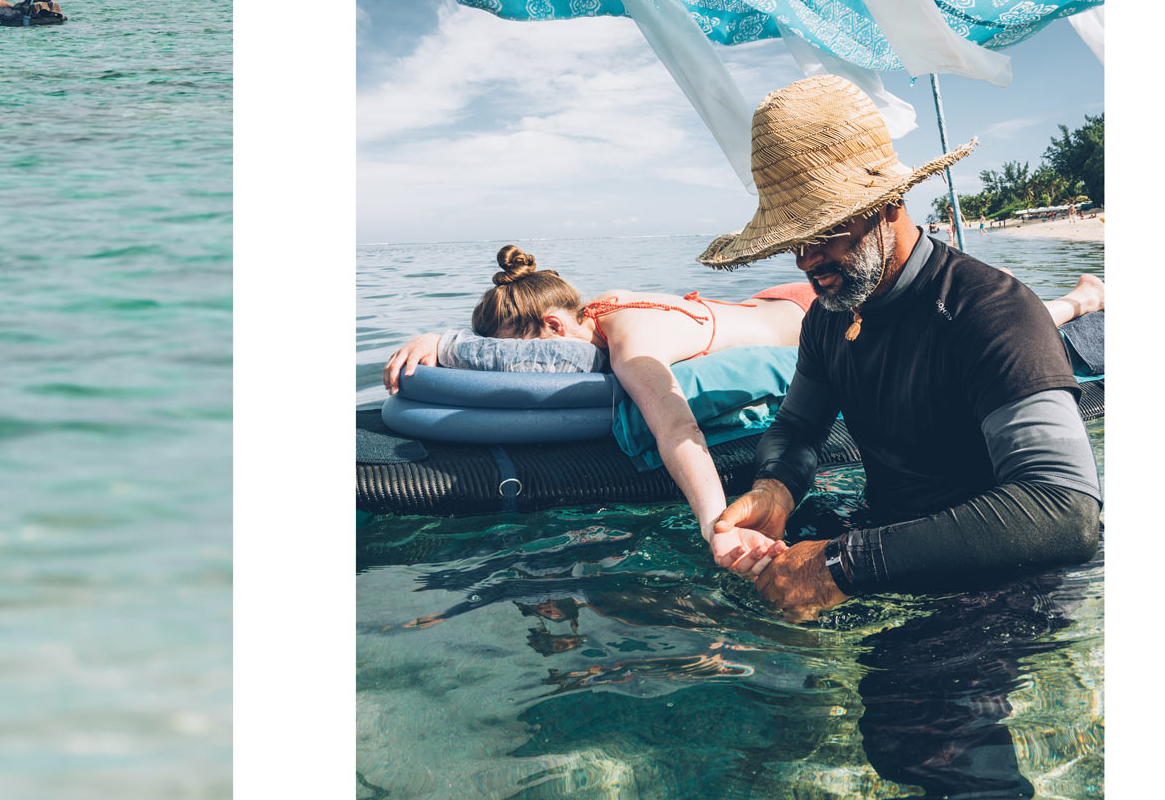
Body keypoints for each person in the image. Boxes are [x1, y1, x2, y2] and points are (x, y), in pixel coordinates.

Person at [382, 241, 1100, 573]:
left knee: (1037, 316)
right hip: (785, 313)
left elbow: (672, 422)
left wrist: (710, 522)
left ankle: (1081, 300)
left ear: (549, 329)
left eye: (517, 350)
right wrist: (437, 342)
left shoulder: (627, 334)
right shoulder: (594, 308)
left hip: (788, 316)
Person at [700, 75, 1102, 622]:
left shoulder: (992, 311)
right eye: (794, 240)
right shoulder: (827, 319)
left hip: (1007, 581)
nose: (805, 260)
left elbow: (1063, 511)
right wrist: (776, 487)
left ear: (889, 203)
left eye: (824, 231)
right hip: (887, 542)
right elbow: (797, 428)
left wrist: (844, 565)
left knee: (903, 706)